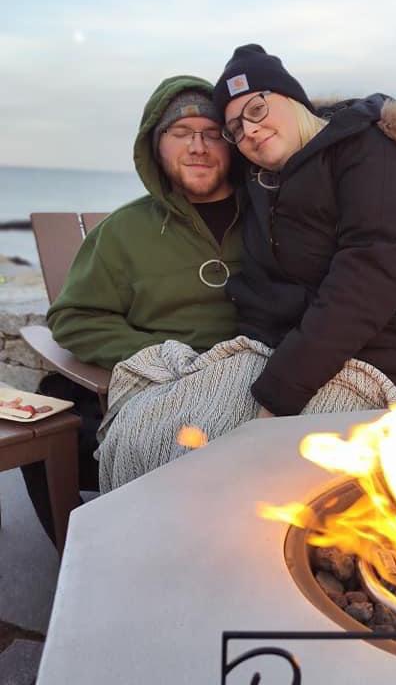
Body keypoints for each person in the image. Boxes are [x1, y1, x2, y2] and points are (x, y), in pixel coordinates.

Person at [24, 75, 245, 542]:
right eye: (181, 133)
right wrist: (160, 356)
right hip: (160, 385)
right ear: (156, 145)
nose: (198, 147)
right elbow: (74, 317)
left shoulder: (272, 221)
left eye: (212, 133)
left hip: (254, 390)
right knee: (54, 418)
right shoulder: (125, 230)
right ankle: (82, 562)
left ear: (233, 144)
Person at [213, 44, 396, 417]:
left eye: (257, 108)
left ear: (292, 98)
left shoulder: (372, 152)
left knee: (255, 461)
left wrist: (279, 394)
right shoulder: (268, 179)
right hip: (301, 356)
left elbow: (368, 279)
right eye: (235, 127)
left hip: (391, 362)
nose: (249, 129)